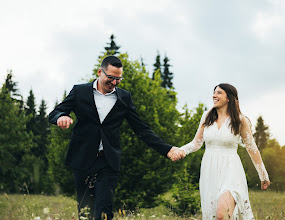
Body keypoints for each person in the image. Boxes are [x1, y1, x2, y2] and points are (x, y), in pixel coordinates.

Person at [49, 55, 178, 220]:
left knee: (103, 212)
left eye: (119, 79)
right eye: (111, 78)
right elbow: (55, 112)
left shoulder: (124, 98)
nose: (114, 82)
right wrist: (60, 117)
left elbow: (141, 129)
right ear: (99, 72)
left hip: (107, 161)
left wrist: (167, 149)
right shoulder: (79, 91)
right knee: (85, 212)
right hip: (82, 160)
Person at [171, 83, 270, 220]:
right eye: (214, 92)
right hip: (209, 170)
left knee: (221, 215)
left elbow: (252, 148)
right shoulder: (207, 116)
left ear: (229, 98)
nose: (214, 95)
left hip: (231, 170)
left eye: (219, 93)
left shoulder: (240, 120)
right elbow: (196, 143)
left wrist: (263, 174)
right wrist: (181, 151)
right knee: (214, 215)